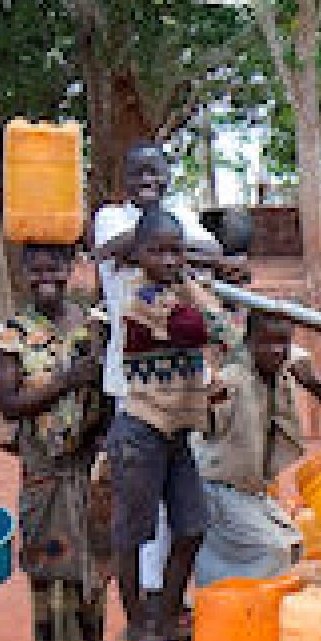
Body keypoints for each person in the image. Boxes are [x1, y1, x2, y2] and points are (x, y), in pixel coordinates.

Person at [92, 142, 240, 613]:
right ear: (124, 178)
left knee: (183, 520)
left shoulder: (177, 231)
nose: (146, 180)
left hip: (182, 407)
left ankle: (166, 606)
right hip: (134, 399)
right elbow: (113, 248)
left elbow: (211, 256)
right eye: (137, 172)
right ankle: (145, 611)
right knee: (140, 519)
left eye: (155, 171)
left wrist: (176, 251)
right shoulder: (112, 219)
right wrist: (199, 261)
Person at [0, 244, 112, 641]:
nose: (46, 279)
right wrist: (67, 380)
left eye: (54, 268)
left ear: (69, 269)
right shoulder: (12, 334)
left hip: (90, 470)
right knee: (52, 577)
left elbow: (110, 393)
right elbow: (9, 403)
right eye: (36, 270)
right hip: (45, 475)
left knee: (93, 576)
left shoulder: (93, 326)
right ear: (24, 273)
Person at [193, 311, 321, 587]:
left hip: (252, 491)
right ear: (248, 342)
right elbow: (207, 420)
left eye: (282, 343)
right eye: (266, 343)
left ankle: (253, 612)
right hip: (219, 489)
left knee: (293, 544)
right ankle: (235, 612)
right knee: (272, 551)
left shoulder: (280, 369)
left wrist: (318, 385)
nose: (276, 351)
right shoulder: (232, 380)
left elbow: (296, 356)